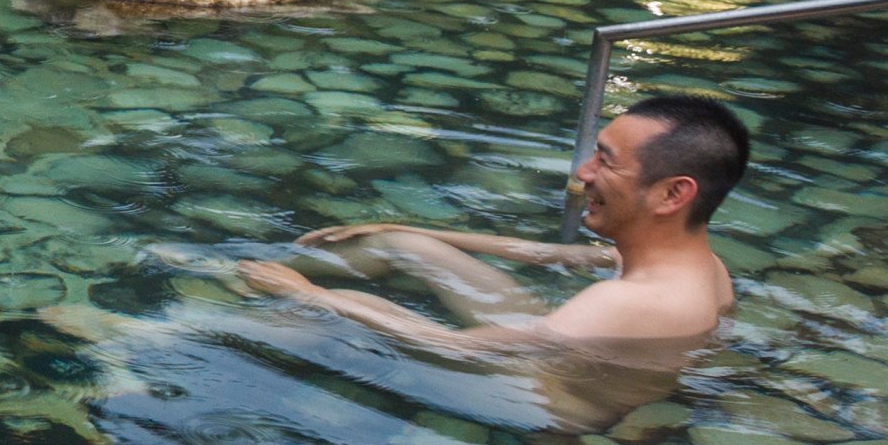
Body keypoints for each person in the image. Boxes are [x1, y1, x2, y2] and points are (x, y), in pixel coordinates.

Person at [237, 91, 750, 354]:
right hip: (551, 350)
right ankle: (245, 270)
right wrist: (416, 231)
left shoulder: (627, 303)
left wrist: (310, 296)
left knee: (331, 317)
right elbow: (535, 252)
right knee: (402, 245)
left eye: (606, 162)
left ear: (672, 193)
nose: (583, 174)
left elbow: (454, 349)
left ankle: (188, 324)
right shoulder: (700, 264)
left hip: (539, 402)